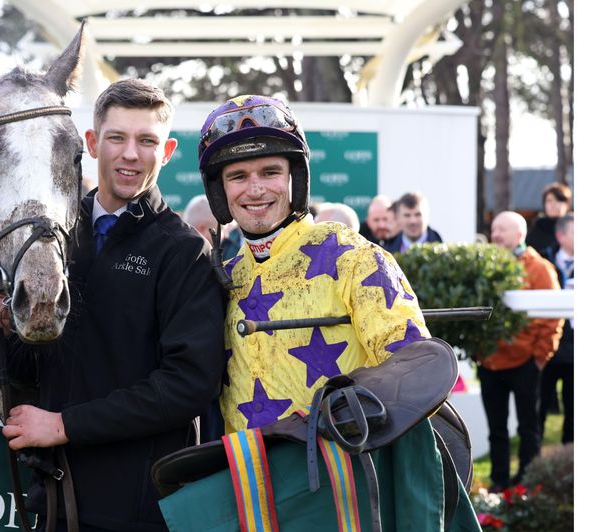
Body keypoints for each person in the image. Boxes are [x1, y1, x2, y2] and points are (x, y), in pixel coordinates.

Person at [184, 94, 477, 529]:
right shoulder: (222, 279)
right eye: (238, 176)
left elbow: (414, 374)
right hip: (256, 497)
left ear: (294, 178)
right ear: (220, 191)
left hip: (347, 498)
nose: (256, 188)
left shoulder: (351, 258)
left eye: (270, 171)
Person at [0, 79, 224, 531]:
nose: (131, 153)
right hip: (55, 503)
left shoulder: (184, 252)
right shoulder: (55, 242)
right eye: (117, 137)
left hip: (140, 511)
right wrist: (6, 330)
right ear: (92, 143)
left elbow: (188, 385)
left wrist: (65, 425)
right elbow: (36, 369)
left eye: (146, 140)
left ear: (166, 151)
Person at [478, 211, 562, 491]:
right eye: (494, 229)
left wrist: (540, 357)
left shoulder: (540, 268)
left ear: (519, 235)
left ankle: (529, 483)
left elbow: (553, 317)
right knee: (496, 430)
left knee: (529, 427)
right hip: (489, 362)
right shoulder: (483, 265)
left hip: (526, 363)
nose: (496, 235)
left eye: (503, 230)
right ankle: (499, 483)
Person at [538, 214, 573, 444]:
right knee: (538, 407)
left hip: (578, 349)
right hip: (548, 347)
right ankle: (532, 465)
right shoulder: (544, 262)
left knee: (575, 409)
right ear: (560, 236)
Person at [526, 182, 571, 262]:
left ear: (567, 205)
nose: (554, 204)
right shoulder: (537, 229)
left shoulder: (571, 227)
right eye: (549, 201)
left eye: (559, 200)